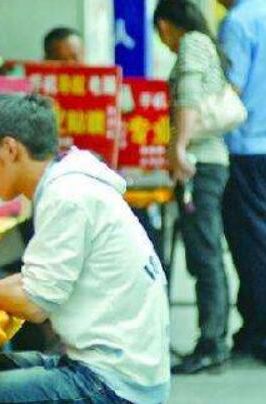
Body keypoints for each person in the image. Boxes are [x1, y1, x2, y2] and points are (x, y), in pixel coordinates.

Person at [0, 93, 170, 403]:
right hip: (114, 368)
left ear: (9, 149)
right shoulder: (68, 185)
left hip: (114, 384)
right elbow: (32, 280)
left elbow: (34, 303)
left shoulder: (67, 197)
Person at [154, 0, 231, 374]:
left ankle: (212, 343)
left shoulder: (191, 44)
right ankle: (213, 340)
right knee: (205, 251)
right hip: (206, 162)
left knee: (204, 253)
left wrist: (179, 149)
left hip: (199, 163)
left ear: (165, 25)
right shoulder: (205, 43)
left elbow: (187, 98)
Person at [218, 0, 266, 364]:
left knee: (250, 244)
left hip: (247, 146)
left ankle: (260, 332)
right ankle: (251, 330)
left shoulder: (237, 22)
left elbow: (230, 91)